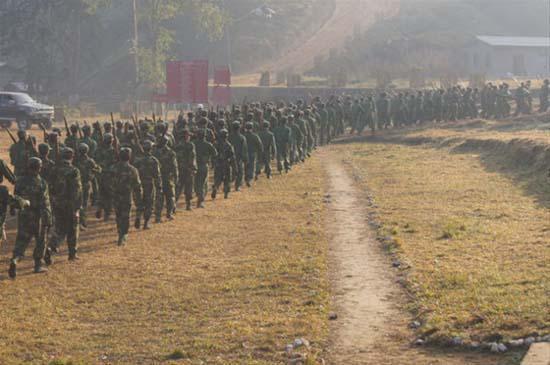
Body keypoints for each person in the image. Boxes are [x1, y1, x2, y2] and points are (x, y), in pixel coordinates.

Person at [9, 157, 52, 278]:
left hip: (24, 215)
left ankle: (15, 260)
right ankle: (38, 265)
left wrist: (13, 209)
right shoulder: (42, 183)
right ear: (39, 167)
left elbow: (16, 198)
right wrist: (48, 219)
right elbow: (45, 203)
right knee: (40, 241)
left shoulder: (20, 181)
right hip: (38, 216)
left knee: (21, 241)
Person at [47, 148, 82, 263]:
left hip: (57, 203)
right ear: (72, 157)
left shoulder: (54, 170)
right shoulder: (74, 170)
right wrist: (77, 206)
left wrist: (54, 200)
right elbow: (77, 190)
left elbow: (50, 187)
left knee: (60, 227)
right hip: (70, 204)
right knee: (72, 228)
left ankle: (51, 247)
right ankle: (72, 253)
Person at [112, 148, 143, 246]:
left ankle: (120, 233)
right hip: (126, 196)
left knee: (118, 215)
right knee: (125, 217)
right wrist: (139, 201)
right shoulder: (133, 170)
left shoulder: (113, 168)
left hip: (116, 196)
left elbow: (107, 183)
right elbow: (137, 186)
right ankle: (123, 235)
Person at [133, 140, 161, 230]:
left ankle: (138, 216)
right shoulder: (154, 160)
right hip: (149, 184)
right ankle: (146, 223)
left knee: (139, 202)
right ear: (151, 149)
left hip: (138, 184)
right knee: (149, 204)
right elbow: (157, 175)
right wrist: (159, 187)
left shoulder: (137, 160)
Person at [76, 143, 101, 228]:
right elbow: (98, 170)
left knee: (77, 203)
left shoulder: (76, 160)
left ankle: (79, 221)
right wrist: (93, 171)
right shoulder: (90, 161)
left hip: (76, 185)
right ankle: (82, 221)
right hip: (86, 184)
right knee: (84, 203)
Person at [154, 135, 178, 221]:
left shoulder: (154, 152)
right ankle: (169, 213)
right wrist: (176, 176)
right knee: (170, 196)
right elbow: (174, 166)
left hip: (158, 178)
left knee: (159, 197)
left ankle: (158, 216)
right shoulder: (171, 153)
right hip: (168, 177)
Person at [194, 128, 217, 208]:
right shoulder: (208, 144)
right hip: (204, 166)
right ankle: (201, 199)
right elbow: (215, 154)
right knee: (203, 183)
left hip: (195, 166)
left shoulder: (193, 144)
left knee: (197, 183)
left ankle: (200, 197)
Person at [175, 128, 197, 210]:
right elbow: (192, 157)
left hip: (179, 170)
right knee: (189, 187)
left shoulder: (176, 146)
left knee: (178, 188)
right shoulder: (190, 145)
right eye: (188, 136)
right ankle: (188, 205)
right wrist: (193, 168)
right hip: (188, 169)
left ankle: (173, 205)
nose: (190, 137)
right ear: (186, 136)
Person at [212, 129, 236, 200]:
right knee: (227, 179)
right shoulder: (229, 145)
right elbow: (232, 156)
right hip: (226, 164)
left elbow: (213, 154)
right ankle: (226, 194)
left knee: (217, 179)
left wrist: (214, 162)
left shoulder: (216, 144)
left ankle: (215, 188)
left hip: (218, 164)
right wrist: (234, 166)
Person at [228, 121, 248, 191]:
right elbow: (244, 149)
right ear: (239, 128)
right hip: (239, 158)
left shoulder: (228, 137)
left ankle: (228, 185)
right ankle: (237, 186)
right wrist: (245, 159)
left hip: (229, 157)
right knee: (240, 172)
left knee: (229, 172)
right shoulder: (242, 138)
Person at [243, 121, 263, 186]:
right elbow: (260, 145)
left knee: (246, 166)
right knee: (252, 167)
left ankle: (246, 177)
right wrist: (260, 152)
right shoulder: (255, 136)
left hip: (245, 153)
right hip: (252, 153)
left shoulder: (243, 136)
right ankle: (249, 179)